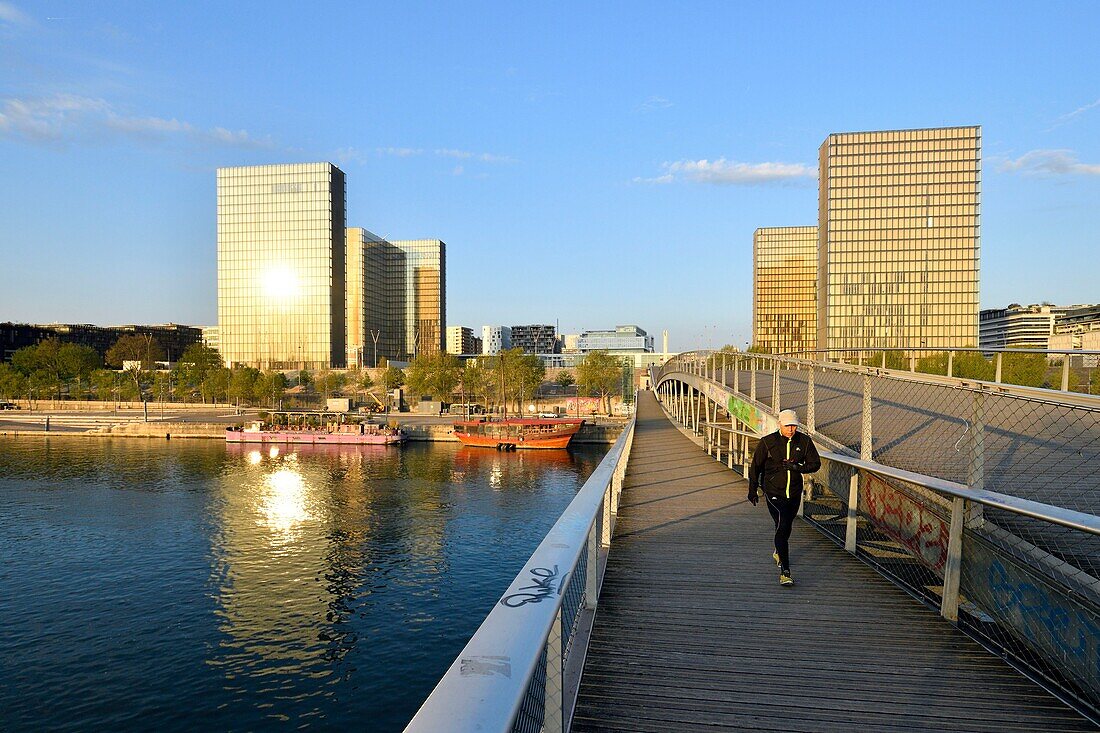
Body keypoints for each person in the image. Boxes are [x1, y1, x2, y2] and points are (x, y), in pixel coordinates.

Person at [747, 409, 821, 586]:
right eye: (787, 425)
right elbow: (756, 466)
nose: (791, 429)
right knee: (782, 524)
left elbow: (815, 464)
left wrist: (797, 468)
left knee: (785, 527)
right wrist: (752, 488)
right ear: (780, 424)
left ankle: (778, 550)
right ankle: (785, 571)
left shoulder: (804, 441)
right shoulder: (768, 442)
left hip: (794, 493)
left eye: (794, 425)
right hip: (774, 491)